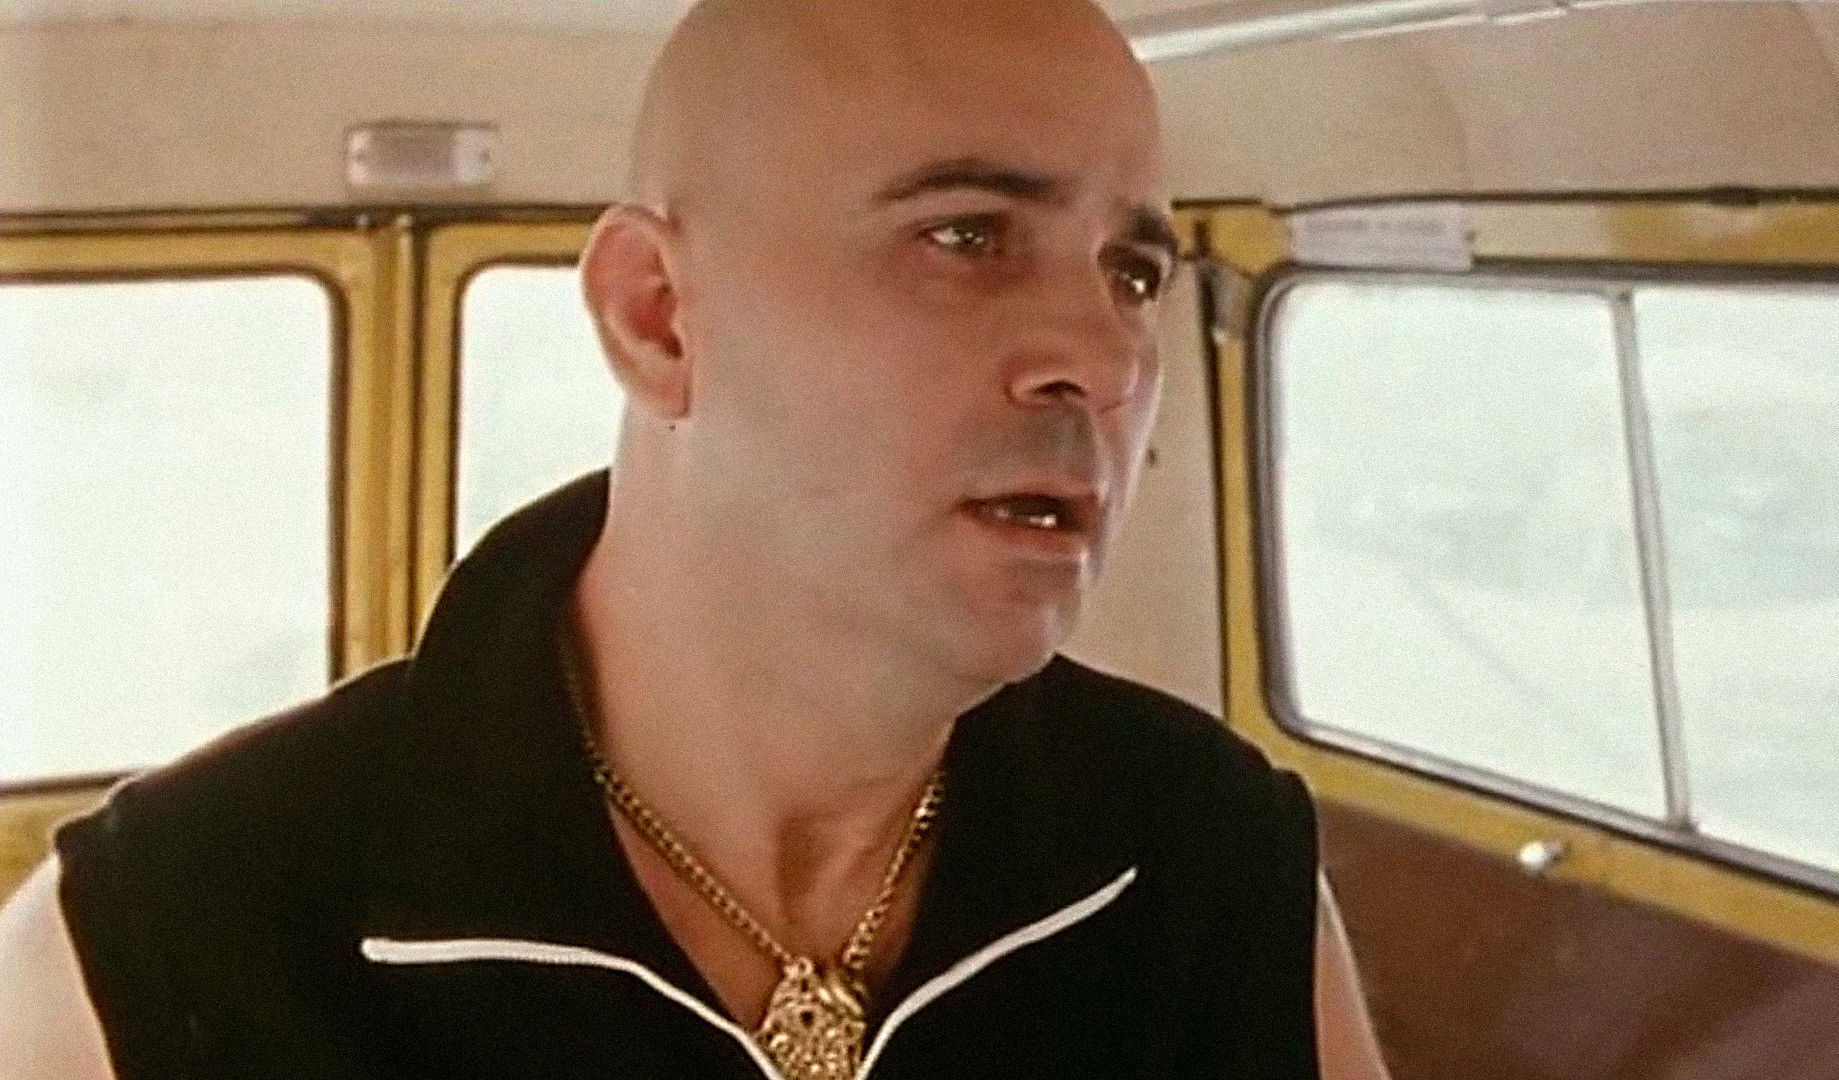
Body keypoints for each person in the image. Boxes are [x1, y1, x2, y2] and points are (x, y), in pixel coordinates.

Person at [0, 1, 1392, 1077]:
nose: (1102, 355)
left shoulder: (1215, 857)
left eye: (1134, 272)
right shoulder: (160, 941)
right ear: (656, 316)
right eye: (967, 237)